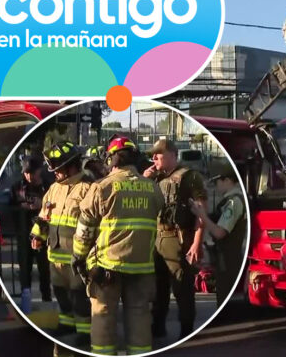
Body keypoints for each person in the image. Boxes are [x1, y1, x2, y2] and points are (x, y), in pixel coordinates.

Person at [73, 135, 164, 355]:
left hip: (107, 266)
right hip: (142, 266)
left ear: (112, 160)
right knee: (139, 314)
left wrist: (78, 256)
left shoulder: (102, 187)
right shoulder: (153, 189)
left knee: (103, 314)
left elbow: (85, 229)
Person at [29, 142, 92, 346]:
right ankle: (67, 323)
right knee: (60, 293)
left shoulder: (87, 188)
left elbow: (94, 222)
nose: (55, 174)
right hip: (55, 256)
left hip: (77, 257)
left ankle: (85, 331)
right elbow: (44, 216)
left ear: (71, 166)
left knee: (79, 296)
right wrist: (37, 236)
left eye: (58, 169)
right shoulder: (54, 188)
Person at [145, 139, 207, 339]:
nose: (154, 158)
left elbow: (201, 213)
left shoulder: (189, 177)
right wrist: (144, 180)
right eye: (153, 155)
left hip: (177, 239)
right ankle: (158, 327)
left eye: (159, 154)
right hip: (157, 238)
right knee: (158, 287)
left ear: (172, 154)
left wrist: (197, 242)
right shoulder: (154, 178)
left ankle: (187, 330)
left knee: (182, 288)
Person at [190, 162, 247, 305]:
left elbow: (219, 232)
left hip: (229, 262)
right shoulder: (230, 200)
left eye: (217, 181)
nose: (215, 185)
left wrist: (202, 215)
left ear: (227, 180)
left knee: (225, 300)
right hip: (226, 260)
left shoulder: (234, 202)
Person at [9, 157, 51, 312]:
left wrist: (42, 205)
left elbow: (58, 206)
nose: (29, 176)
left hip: (43, 235)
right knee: (25, 269)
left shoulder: (48, 186)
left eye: (32, 172)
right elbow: (9, 208)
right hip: (24, 233)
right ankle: (25, 300)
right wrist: (22, 207)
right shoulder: (17, 187)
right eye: (26, 173)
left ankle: (46, 299)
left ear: (39, 171)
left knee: (44, 270)